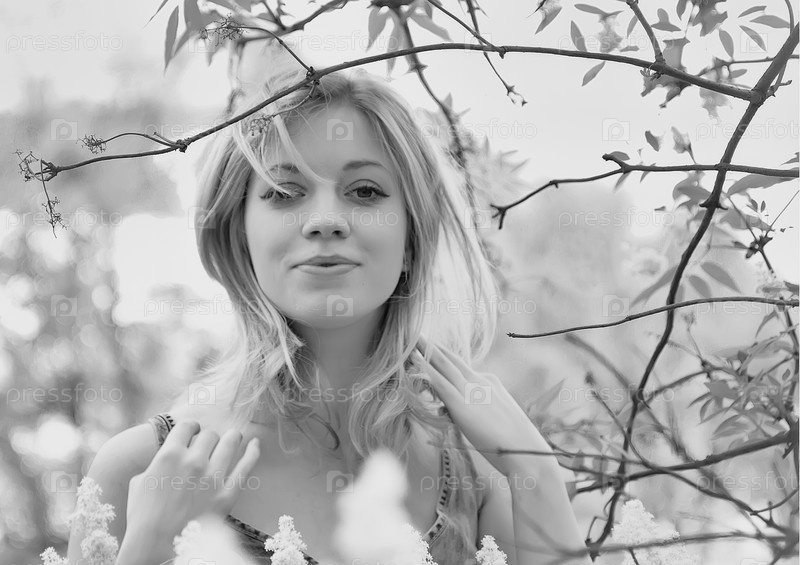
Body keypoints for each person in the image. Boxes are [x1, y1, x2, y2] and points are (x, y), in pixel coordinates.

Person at [67, 55, 587, 565]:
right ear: (238, 233)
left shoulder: (477, 477)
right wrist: (148, 547)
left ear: (411, 238)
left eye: (364, 191)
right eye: (284, 191)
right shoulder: (141, 470)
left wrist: (535, 470)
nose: (325, 220)